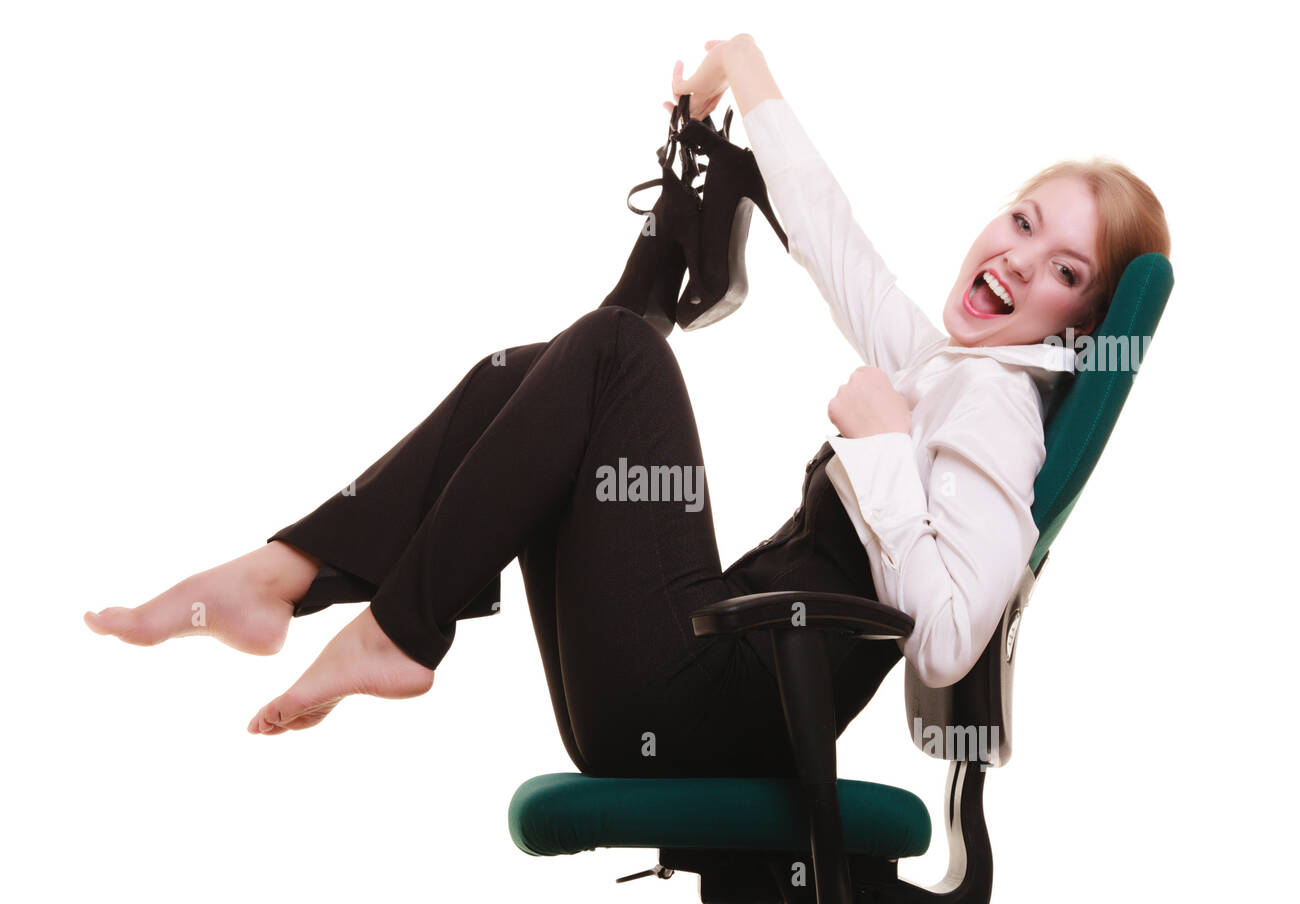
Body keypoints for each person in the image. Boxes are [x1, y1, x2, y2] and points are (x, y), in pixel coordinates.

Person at [82, 34, 1171, 778]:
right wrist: (747, 70)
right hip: (686, 697)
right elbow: (836, 244)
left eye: (1066, 270)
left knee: (614, 354)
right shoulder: (953, 368)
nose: (1020, 260)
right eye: (1021, 223)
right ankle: (293, 575)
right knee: (536, 371)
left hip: (711, 708)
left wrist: (883, 448)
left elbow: (945, 639)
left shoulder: (995, 411)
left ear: (1077, 327)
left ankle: (392, 625)